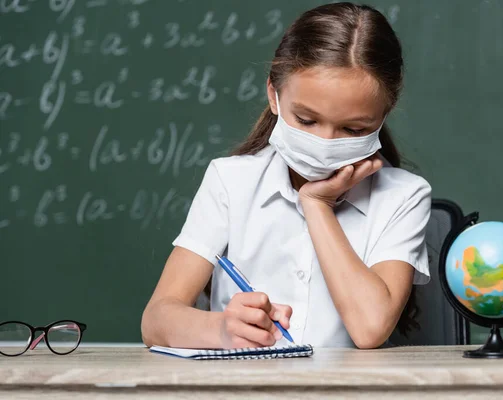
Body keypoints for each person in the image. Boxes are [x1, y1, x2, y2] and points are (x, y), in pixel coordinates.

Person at [141, 2, 431, 350]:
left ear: (382, 117)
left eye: (354, 129)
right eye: (306, 120)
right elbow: (156, 320)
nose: (324, 143)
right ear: (274, 96)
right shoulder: (231, 181)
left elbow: (370, 328)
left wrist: (317, 204)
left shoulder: (405, 196)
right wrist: (221, 330)